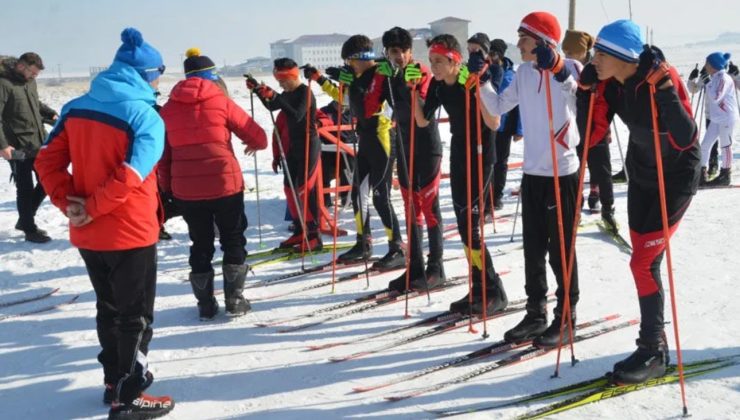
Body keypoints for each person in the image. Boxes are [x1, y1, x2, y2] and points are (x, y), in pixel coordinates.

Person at [34, 28, 174, 419]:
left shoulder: (77, 107)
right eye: (158, 74)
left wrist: (71, 205)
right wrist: (92, 207)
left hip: (90, 233)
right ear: (146, 74)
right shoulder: (144, 115)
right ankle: (129, 397)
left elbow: (45, 161)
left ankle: (114, 381)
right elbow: (133, 174)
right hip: (129, 229)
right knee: (136, 315)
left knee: (108, 308)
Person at [582, 19, 700, 383]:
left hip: (676, 178)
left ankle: (653, 350)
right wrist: (585, 93)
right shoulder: (611, 86)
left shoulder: (661, 78)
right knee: (644, 263)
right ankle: (653, 347)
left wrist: (664, 88)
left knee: (643, 263)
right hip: (642, 177)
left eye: (601, 53)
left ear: (623, 57)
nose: (594, 59)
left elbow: (685, 137)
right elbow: (591, 135)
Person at [478, 11, 582, 348]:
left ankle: (566, 316)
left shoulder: (570, 69)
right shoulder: (522, 73)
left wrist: (559, 69)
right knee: (533, 249)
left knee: (560, 250)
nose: (518, 44)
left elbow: (579, 97)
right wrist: (480, 82)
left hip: (561, 173)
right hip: (533, 173)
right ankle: (536, 311)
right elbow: (498, 107)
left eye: (524, 38)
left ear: (541, 41)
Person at [159, 48, 267, 320]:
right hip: (224, 183)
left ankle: (205, 304)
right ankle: (235, 299)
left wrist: (168, 188)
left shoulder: (168, 109)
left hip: (187, 190)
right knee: (232, 238)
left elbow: (163, 157)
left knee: (200, 242)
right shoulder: (221, 102)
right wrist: (252, 144)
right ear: (211, 76)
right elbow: (259, 136)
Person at [411, 33, 508, 315]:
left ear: (455, 60)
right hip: (459, 153)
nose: (435, 67)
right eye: (431, 61)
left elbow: (494, 122)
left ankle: (494, 290)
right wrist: (416, 90)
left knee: (472, 229)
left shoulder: (470, 78)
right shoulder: (440, 87)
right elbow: (421, 119)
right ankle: (478, 288)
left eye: (439, 61)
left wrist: (479, 87)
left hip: (480, 154)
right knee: (465, 227)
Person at [302, 35, 405, 271]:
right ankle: (363, 243)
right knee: (358, 193)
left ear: (358, 58)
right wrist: (319, 79)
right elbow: (346, 100)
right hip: (366, 139)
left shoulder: (382, 73)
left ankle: (397, 247)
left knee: (381, 197)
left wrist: (350, 80)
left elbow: (369, 104)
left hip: (382, 139)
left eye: (349, 61)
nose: (347, 65)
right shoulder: (356, 75)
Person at [377, 26, 446, 291]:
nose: (396, 57)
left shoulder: (421, 71)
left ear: (409, 51)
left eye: (400, 52)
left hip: (427, 145)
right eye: (392, 52)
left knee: (429, 206)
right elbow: (376, 107)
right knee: (409, 207)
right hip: (404, 146)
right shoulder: (390, 76)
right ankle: (414, 266)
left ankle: (436, 266)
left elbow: (425, 109)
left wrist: (414, 84)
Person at [247, 58, 322, 251]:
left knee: (304, 190)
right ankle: (299, 230)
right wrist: (259, 91)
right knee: (290, 189)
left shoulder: (305, 92)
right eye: (278, 82)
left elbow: (297, 114)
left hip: (308, 145)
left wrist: (276, 96)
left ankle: (314, 235)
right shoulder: (288, 93)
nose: (280, 85)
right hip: (293, 147)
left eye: (282, 81)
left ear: (292, 76)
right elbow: (273, 107)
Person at [563, 29, 618, 230]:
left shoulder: (596, 69)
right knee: (575, 172)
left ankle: (605, 206)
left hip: (596, 129)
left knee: (601, 170)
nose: (569, 55)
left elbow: (606, 104)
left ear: (584, 51)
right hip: (575, 130)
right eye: (566, 50)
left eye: (573, 51)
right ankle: (575, 210)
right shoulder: (571, 68)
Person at [0, 52, 57, 243]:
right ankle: (29, 228)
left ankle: (24, 219)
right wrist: (3, 145)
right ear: (21, 66)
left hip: (38, 141)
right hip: (17, 146)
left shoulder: (30, 82)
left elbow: (34, 104)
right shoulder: (3, 84)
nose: (35, 77)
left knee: (48, 181)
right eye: (32, 72)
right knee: (24, 188)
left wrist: (51, 114)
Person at [488, 38, 523, 210]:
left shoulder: (511, 74)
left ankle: (497, 196)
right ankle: (485, 194)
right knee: (487, 161)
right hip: (487, 123)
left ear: (500, 55)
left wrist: (520, 128)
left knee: (500, 162)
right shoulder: (484, 71)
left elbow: (520, 103)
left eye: (493, 54)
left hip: (505, 126)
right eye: (488, 53)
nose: (490, 57)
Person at [696, 52, 737, 186]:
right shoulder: (714, 77)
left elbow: (716, 97)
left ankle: (726, 174)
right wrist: (705, 81)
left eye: (707, 63)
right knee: (705, 145)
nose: (705, 66)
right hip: (716, 118)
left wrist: (707, 81)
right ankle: (702, 174)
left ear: (714, 65)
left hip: (726, 117)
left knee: (725, 146)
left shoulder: (723, 78)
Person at [317, 100, 356, 208]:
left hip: (347, 148)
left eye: (344, 106)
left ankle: (346, 196)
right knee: (323, 169)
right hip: (328, 148)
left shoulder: (352, 111)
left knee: (349, 167)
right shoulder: (325, 111)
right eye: (340, 105)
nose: (342, 108)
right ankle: (325, 198)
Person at [687, 64, 720, 178]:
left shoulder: (721, 76)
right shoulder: (706, 75)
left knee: (717, 142)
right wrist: (692, 79)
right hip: (709, 115)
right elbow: (694, 89)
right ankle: (710, 165)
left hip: (722, 114)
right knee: (710, 142)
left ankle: (714, 164)